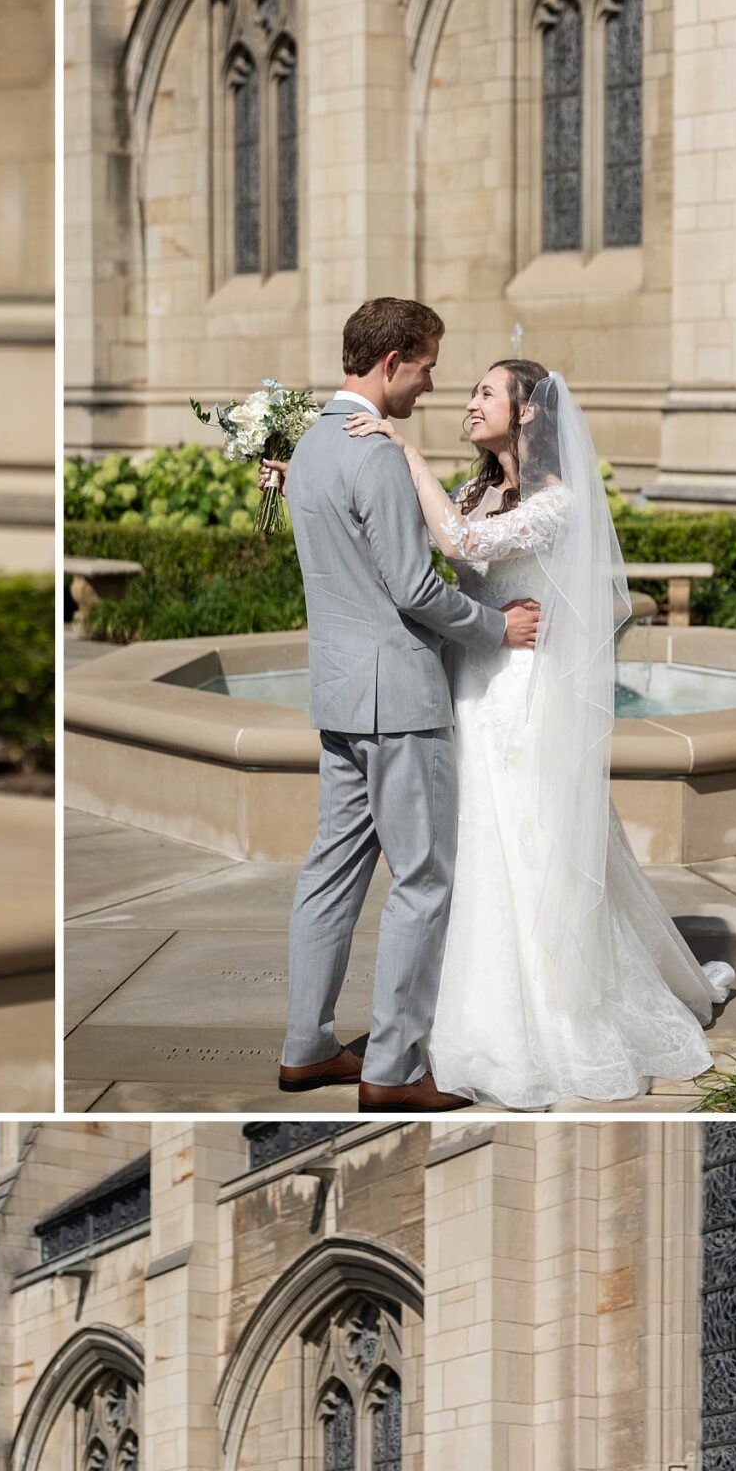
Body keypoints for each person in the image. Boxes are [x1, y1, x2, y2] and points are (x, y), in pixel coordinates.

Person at [320, 365, 736, 1105]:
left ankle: (542, 1015)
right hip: (463, 685)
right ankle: (437, 1011)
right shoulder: (477, 487)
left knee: (529, 840)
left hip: (520, 693)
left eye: (487, 392)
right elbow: (408, 528)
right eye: (473, 392)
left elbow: (458, 545)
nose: (471, 403)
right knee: (465, 846)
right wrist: (310, 473)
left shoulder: (558, 502)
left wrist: (403, 452)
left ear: (529, 415)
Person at [271, 297, 538, 1113]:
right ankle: (391, 1066)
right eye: (425, 366)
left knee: (329, 873)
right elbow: (415, 587)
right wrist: (497, 627)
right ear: (392, 363)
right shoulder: (375, 456)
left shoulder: (311, 448)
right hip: (399, 702)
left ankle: (306, 1048)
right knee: (422, 879)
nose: (431, 383)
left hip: (339, 695)